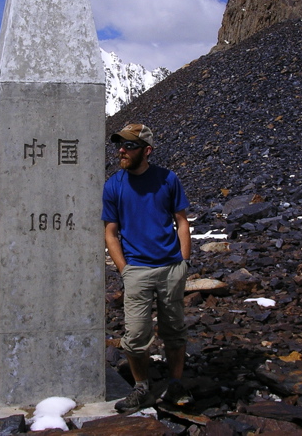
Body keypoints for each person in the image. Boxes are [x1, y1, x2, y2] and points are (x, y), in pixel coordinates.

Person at [102, 123, 193, 413]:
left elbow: (181, 221)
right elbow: (110, 232)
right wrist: (124, 270)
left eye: (129, 146)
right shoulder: (114, 184)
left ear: (147, 150)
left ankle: (175, 382)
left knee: (174, 330)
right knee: (136, 336)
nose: (122, 150)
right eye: (121, 145)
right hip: (137, 271)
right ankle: (142, 387)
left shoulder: (168, 180)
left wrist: (184, 262)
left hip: (170, 268)